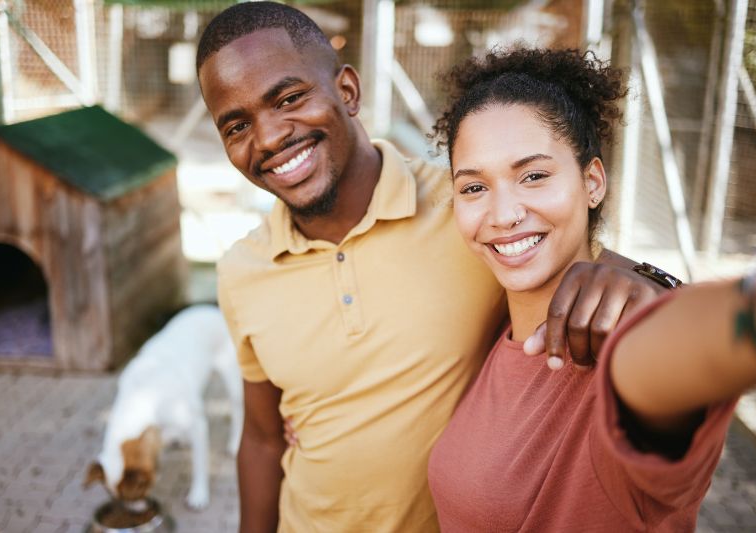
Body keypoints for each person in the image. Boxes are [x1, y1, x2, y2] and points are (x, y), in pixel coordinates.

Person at [196, 4, 665, 531]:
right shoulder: (242, 271)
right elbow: (261, 439)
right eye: (236, 126)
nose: (269, 137)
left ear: (347, 91)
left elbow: (578, 257)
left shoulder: (466, 209)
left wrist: (640, 275)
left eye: (289, 98)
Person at [427, 47, 756, 531]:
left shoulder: (624, 342)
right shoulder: (495, 324)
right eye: (473, 187)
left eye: (533, 175)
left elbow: (676, 353)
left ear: (592, 182)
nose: (503, 214)